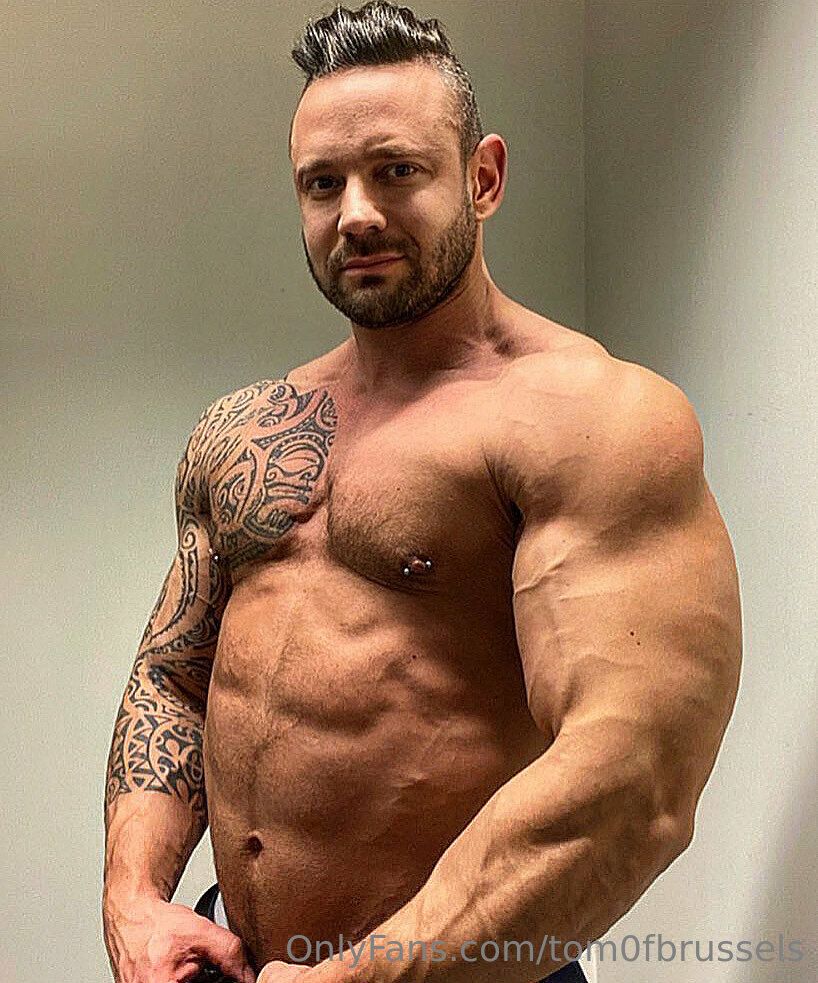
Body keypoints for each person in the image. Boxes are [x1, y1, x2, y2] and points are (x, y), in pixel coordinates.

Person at [101, 3, 743, 983]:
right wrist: (135, 899)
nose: (354, 212)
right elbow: (172, 678)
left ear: (482, 178)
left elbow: (633, 781)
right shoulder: (246, 431)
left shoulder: (591, 419)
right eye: (322, 183)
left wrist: (363, 977)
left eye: (395, 170)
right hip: (228, 956)